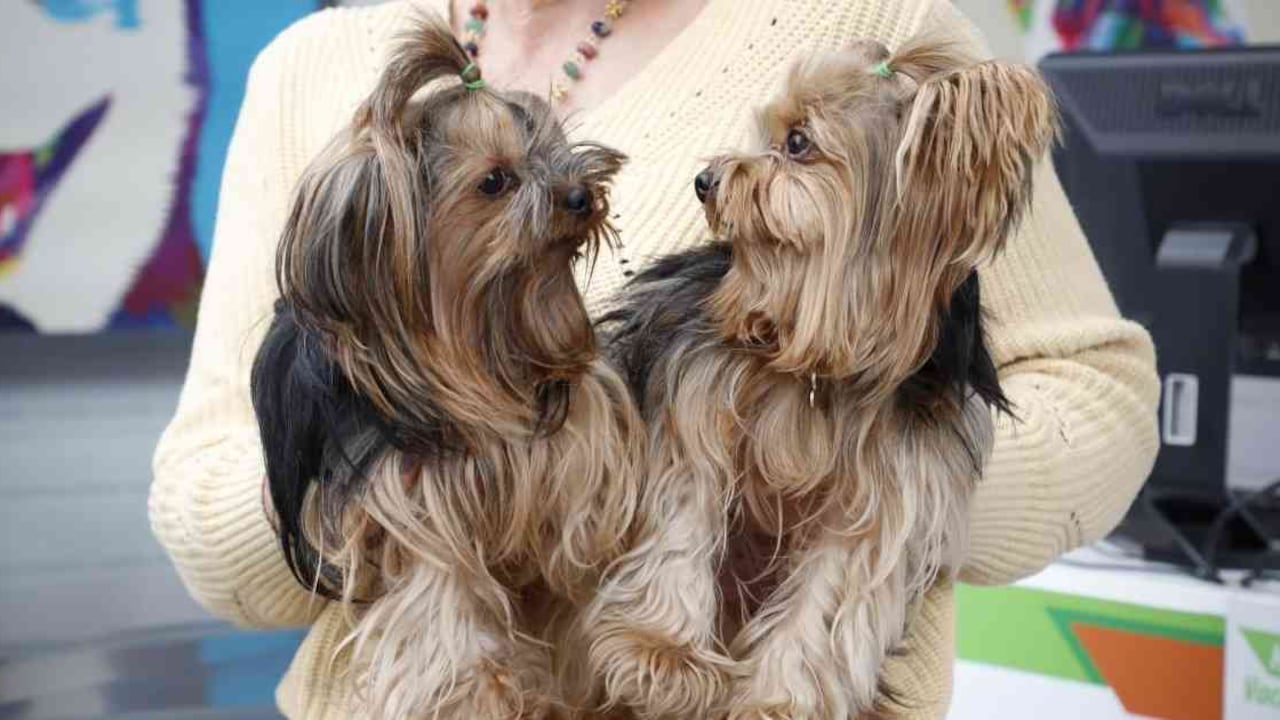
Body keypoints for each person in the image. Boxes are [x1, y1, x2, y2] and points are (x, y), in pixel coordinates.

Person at [149, 0, 1160, 717]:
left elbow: (1099, 400)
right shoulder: (304, 70)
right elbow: (208, 515)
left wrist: (858, 493)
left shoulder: (879, 27)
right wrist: (378, 479)